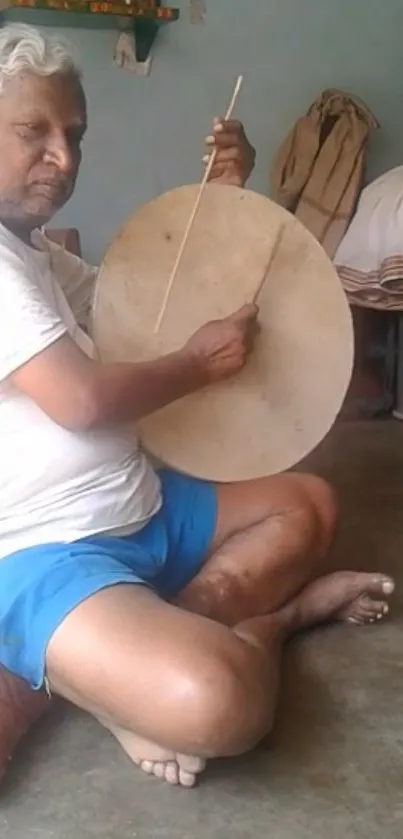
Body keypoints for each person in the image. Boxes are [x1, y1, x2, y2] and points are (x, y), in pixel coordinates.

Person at [0, 23, 394, 790]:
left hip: (143, 510)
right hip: (45, 551)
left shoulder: (37, 254)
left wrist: (222, 199)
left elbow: (151, 302)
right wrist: (197, 362)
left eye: (74, 135)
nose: (64, 157)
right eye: (32, 131)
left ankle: (127, 664)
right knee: (221, 705)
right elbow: (81, 401)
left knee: (305, 503)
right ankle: (274, 623)